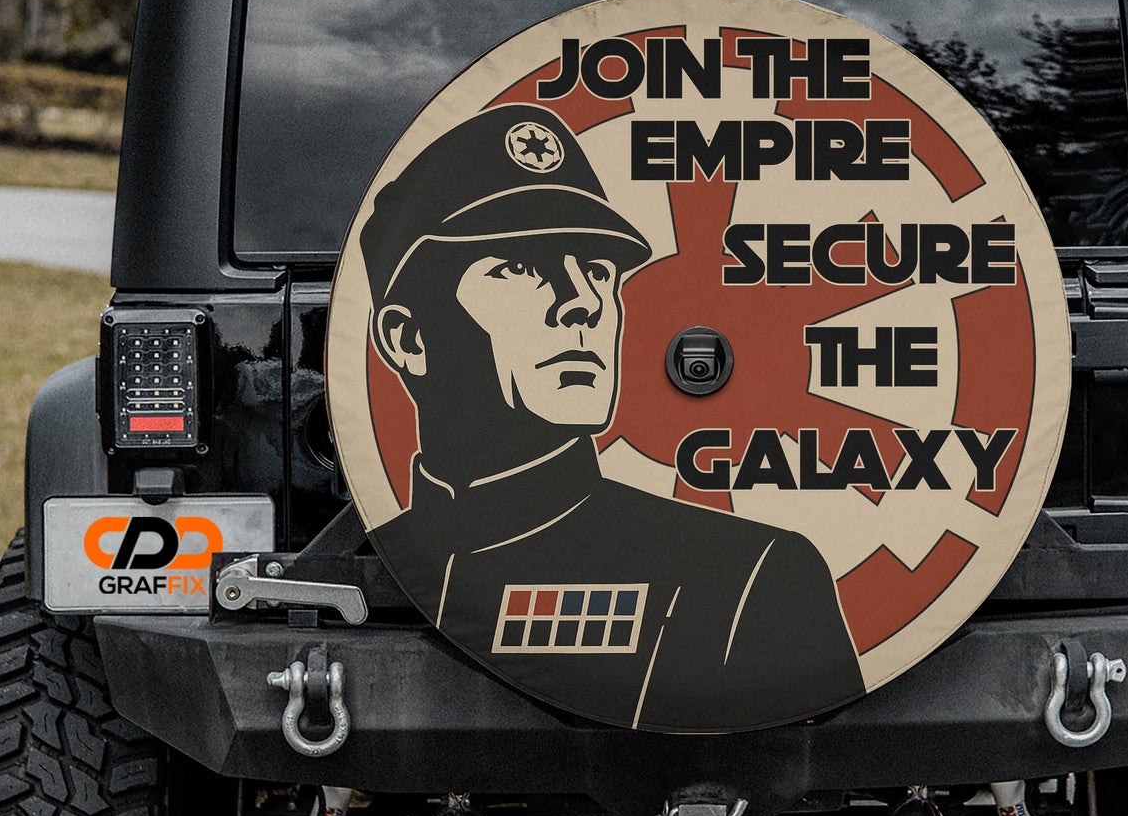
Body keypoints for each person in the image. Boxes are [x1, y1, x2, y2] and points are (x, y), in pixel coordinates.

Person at [359, 102, 862, 733]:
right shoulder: (382, 560)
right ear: (407, 340)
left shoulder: (753, 576)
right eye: (518, 267)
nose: (584, 304)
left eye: (596, 269)